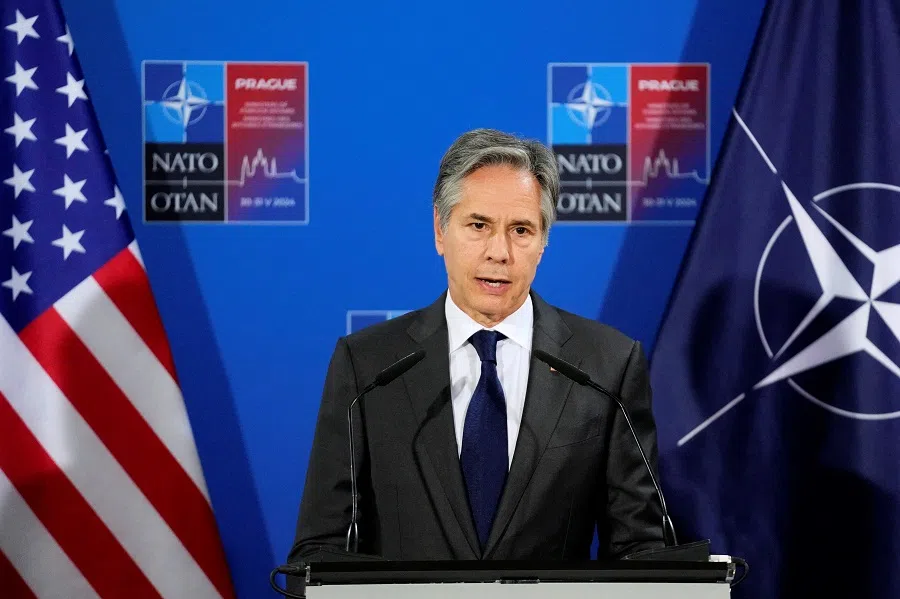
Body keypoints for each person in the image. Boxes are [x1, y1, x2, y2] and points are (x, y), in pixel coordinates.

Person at [288, 128, 665, 564]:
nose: (499, 252)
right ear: (440, 230)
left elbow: (642, 549)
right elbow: (320, 550)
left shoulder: (606, 366)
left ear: (543, 242)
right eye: (479, 225)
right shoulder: (368, 367)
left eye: (521, 230)